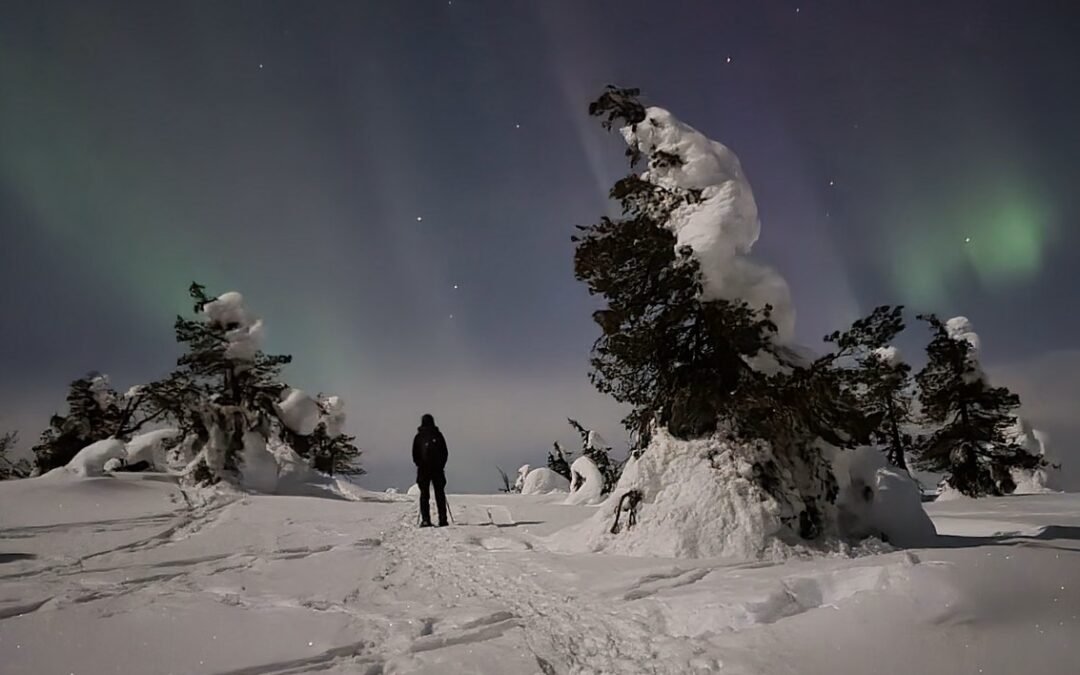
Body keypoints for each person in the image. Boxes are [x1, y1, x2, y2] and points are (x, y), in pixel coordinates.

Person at [412, 413, 449, 527]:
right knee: (440, 494)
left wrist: (420, 465)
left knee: (424, 495)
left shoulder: (419, 437)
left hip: (423, 469)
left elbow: (415, 454)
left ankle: (426, 519)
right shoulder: (438, 435)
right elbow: (445, 453)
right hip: (437, 469)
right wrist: (441, 465)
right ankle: (442, 519)